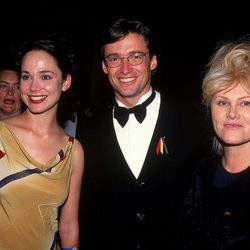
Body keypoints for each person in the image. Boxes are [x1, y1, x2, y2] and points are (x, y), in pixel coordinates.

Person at [78, 18, 210, 250]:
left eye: (136, 56)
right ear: (104, 66)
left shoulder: (194, 117)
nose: (125, 68)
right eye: (114, 58)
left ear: (153, 61)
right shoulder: (88, 130)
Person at [0, 33, 84, 250]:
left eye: (45, 77)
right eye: (27, 77)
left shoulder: (73, 150)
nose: (33, 87)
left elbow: (68, 225)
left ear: (65, 82)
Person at [182, 39, 250, 249]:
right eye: (222, 102)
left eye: (246, 103)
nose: (232, 113)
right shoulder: (198, 175)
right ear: (210, 107)